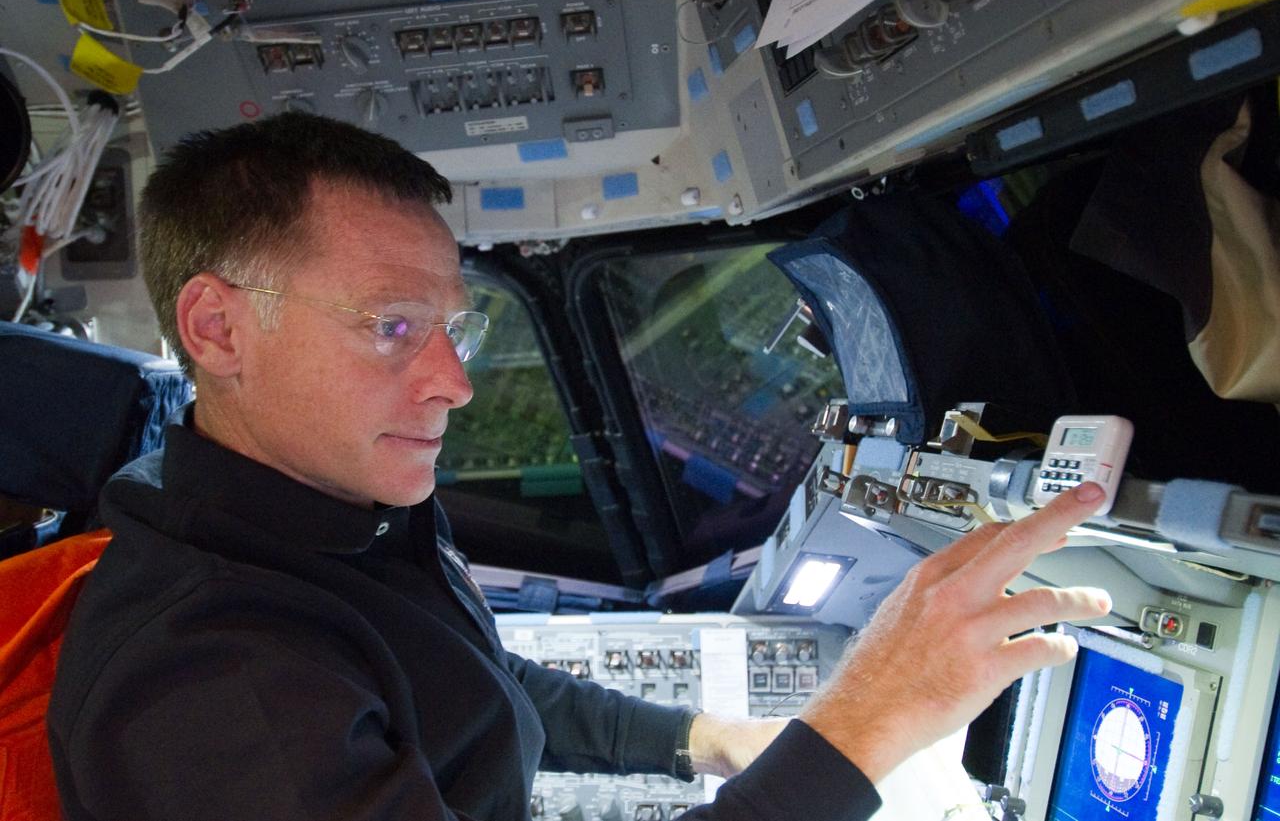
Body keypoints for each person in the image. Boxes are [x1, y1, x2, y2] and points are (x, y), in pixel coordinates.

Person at [47, 112, 1112, 820]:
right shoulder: (222, 681)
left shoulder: (331, 512)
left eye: (452, 332)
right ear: (218, 330)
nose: (452, 385)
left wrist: (701, 737)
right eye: (391, 326)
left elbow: (471, 685)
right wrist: (859, 729)